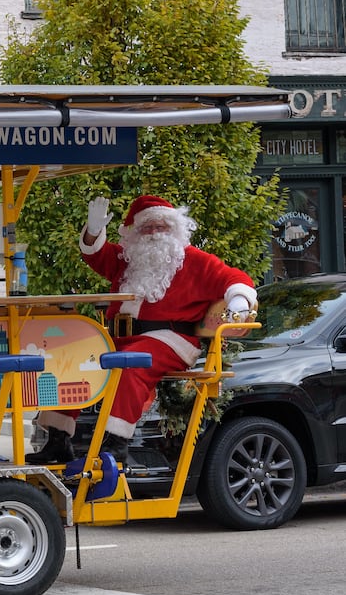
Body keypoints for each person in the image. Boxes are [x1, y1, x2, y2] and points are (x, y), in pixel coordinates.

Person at [31, 195, 257, 467]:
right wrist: (93, 231)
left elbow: (235, 279)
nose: (153, 234)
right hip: (120, 339)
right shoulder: (127, 259)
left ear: (175, 230)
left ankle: (116, 445)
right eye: (146, 228)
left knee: (129, 364)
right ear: (134, 233)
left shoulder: (194, 261)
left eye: (161, 227)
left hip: (170, 339)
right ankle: (58, 439)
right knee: (72, 358)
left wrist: (239, 304)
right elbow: (96, 255)